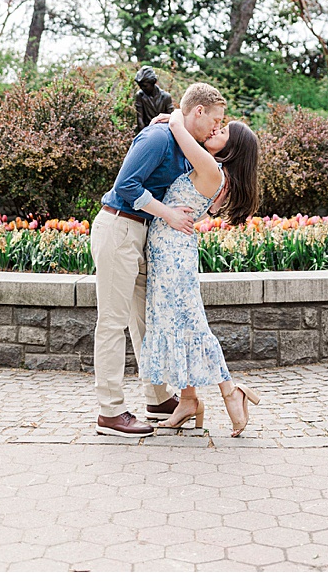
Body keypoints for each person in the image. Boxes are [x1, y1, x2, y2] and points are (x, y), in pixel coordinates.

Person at [90, 83, 225, 437]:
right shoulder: (158, 138)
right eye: (215, 120)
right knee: (113, 321)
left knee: (143, 319)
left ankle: (157, 397)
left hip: (142, 233)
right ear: (198, 111)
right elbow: (125, 186)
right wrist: (166, 213)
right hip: (119, 228)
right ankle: (110, 412)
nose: (216, 127)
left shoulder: (181, 143)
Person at [136, 103, 263, 437]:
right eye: (217, 126)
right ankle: (189, 400)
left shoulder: (210, 168)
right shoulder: (220, 175)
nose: (214, 131)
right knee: (176, 322)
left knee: (190, 323)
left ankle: (230, 391)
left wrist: (173, 115)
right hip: (171, 250)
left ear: (233, 148)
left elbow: (179, 127)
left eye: (223, 132)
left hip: (173, 254)